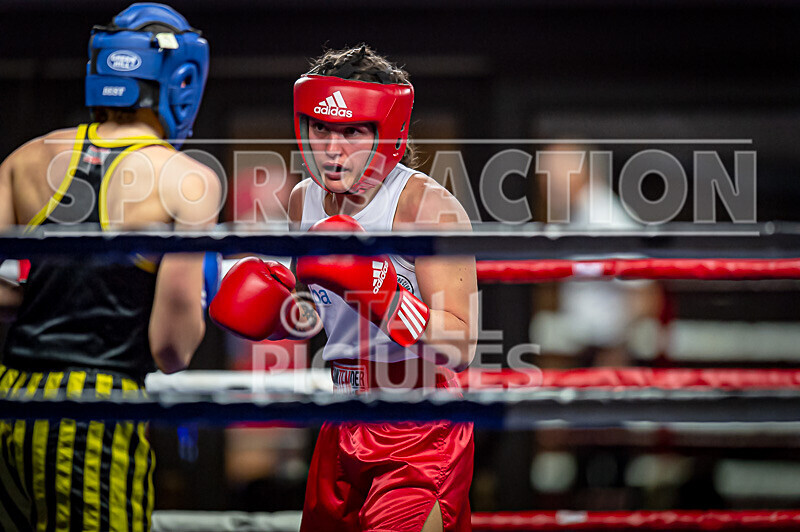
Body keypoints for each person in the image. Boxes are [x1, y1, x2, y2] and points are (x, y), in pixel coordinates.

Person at [210, 45, 478, 531]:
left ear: (386, 132)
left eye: (352, 131)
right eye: (322, 128)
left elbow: (461, 343)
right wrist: (275, 311)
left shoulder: (425, 206)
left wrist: (382, 294)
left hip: (419, 427)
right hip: (341, 417)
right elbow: (315, 313)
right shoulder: (303, 200)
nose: (333, 148)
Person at [0, 4, 219, 530]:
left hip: (10, 399)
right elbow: (171, 350)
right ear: (181, 79)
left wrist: (65, 286)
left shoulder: (26, 158)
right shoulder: (186, 180)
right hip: (96, 410)